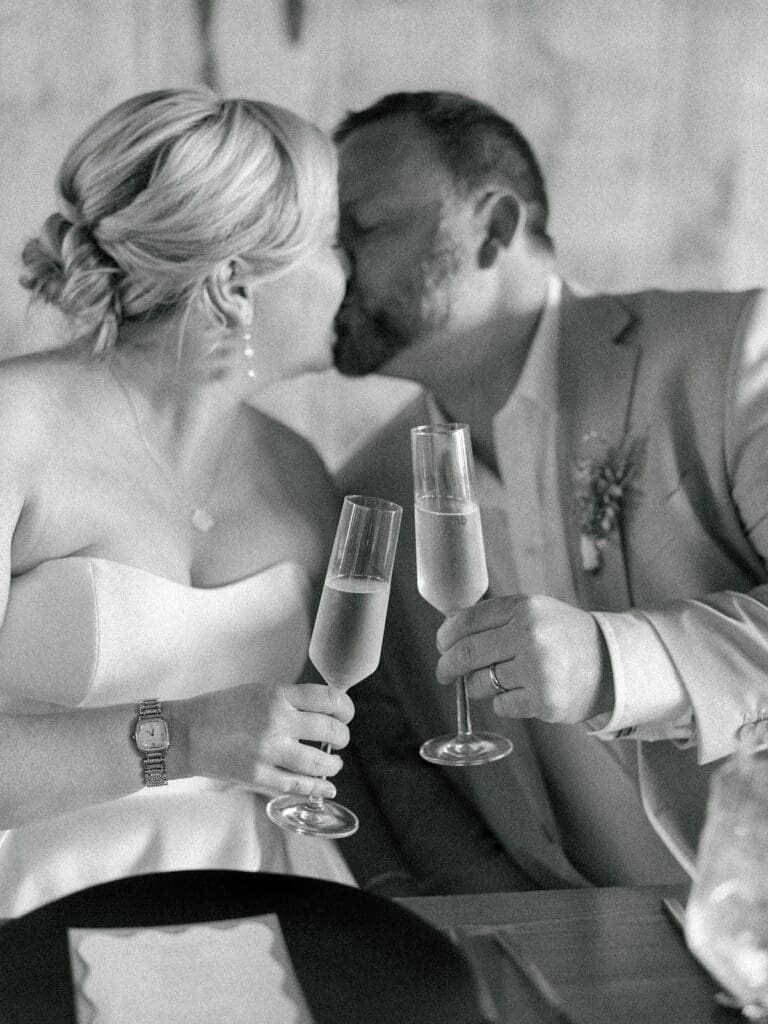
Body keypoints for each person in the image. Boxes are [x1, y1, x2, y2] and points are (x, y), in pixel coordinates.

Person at [332, 89, 768, 891]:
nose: (333, 267)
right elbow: (398, 759)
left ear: (493, 228)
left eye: (363, 228)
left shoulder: (730, 355)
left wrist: (614, 662)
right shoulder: (370, 491)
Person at [0, 87, 368, 918]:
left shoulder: (300, 472)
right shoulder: (11, 434)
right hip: (34, 908)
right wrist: (186, 738)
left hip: (270, 898)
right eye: (333, 243)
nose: (350, 275)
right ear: (237, 281)